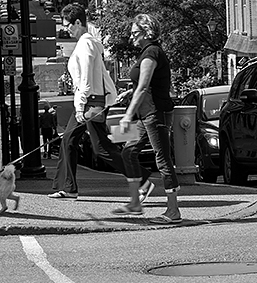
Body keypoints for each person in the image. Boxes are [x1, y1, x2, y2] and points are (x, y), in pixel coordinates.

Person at [48, 3, 151, 199]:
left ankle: (142, 180)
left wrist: (80, 106)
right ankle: (68, 187)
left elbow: (86, 79)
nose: (66, 29)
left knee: (100, 148)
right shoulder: (89, 43)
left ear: (78, 22)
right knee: (71, 141)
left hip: (89, 103)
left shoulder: (86, 44)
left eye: (67, 24)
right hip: (93, 101)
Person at [115, 14, 181, 223]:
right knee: (127, 151)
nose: (131, 36)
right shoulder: (147, 52)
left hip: (155, 114)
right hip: (144, 116)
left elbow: (144, 87)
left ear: (146, 32)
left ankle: (173, 211)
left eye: (135, 33)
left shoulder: (152, 52)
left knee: (163, 160)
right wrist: (128, 93)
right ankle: (136, 199)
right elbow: (142, 85)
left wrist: (126, 116)